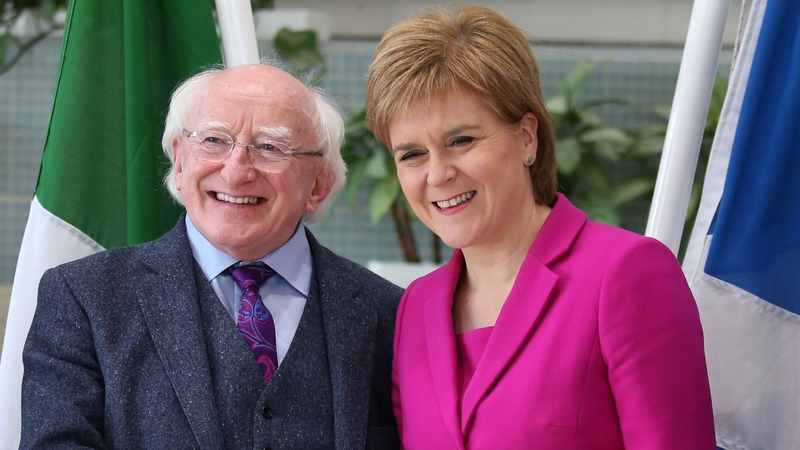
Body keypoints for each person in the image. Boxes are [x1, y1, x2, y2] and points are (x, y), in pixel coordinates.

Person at [366, 6, 715, 449]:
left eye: (461, 140)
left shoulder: (625, 274)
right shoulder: (417, 307)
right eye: (411, 154)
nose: (437, 174)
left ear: (527, 138)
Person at [21, 63, 402, 449]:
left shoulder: (391, 313)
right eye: (214, 140)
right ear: (180, 160)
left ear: (319, 183)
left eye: (270, 147)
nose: (236, 171)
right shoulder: (84, 298)